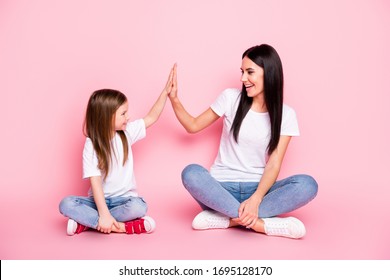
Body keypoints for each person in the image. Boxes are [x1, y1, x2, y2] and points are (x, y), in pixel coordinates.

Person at [168, 44, 318, 239]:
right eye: (242, 72)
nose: (242, 78)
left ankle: (227, 219)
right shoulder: (230, 98)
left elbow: (274, 162)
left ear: (269, 73)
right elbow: (193, 125)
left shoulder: (286, 114)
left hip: (260, 191)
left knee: (308, 185)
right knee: (191, 173)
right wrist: (174, 99)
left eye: (250, 72)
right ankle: (260, 224)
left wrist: (256, 199)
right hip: (220, 189)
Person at [59, 66, 175, 236]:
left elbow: (151, 117)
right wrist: (103, 212)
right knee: (66, 204)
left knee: (139, 207)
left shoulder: (126, 133)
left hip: (124, 201)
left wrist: (165, 92)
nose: (128, 117)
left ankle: (88, 224)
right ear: (107, 117)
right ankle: (122, 227)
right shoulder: (91, 144)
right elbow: (95, 182)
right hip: (97, 202)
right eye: (123, 113)